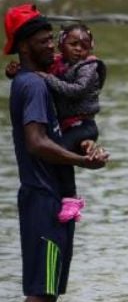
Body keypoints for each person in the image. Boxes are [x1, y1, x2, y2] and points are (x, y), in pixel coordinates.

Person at [1, 3, 109, 302]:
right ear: (25, 47)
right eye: (46, 42)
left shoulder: (42, 80)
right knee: (39, 292)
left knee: (49, 294)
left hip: (57, 200)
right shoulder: (32, 85)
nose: (54, 48)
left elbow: (65, 132)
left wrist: (86, 148)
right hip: (44, 199)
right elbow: (36, 142)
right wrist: (83, 164)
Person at [8, 23, 107, 223]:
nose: (79, 49)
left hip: (83, 124)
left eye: (84, 45)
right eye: (74, 44)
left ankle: (71, 198)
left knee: (60, 152)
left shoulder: (89, 67)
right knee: (60, 152)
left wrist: (46, 78)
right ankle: (67, 197)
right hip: (69, 125)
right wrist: (15, 72)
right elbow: (36, 67)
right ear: (61, 45)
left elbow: (74, 90)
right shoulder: (59, 62)